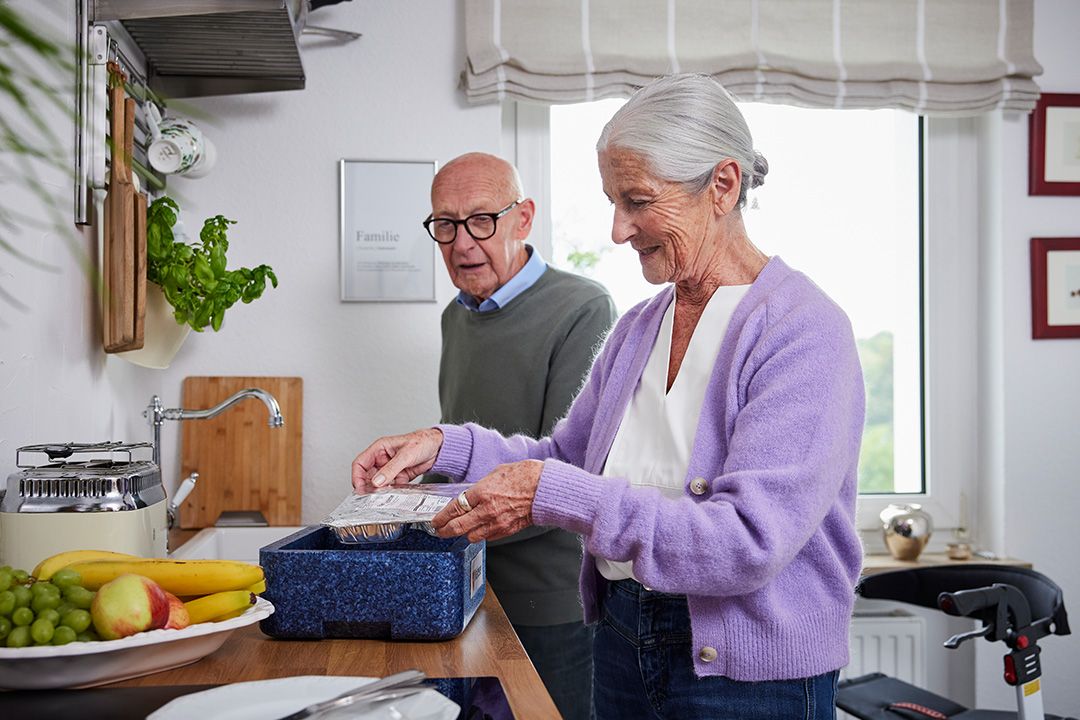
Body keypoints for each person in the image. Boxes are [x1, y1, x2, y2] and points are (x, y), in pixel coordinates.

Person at [354, 75, 865, 720]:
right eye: (612, 202)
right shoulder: (641, 324)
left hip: (743, 671)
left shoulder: (803, 329)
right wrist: (443, 445)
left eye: (638, 201)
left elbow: (746, 541)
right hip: (623, 634)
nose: (619, 230)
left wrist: (547, 488)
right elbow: (566, 456)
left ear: (723, 186)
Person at [420, 152, 617, 720]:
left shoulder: (583, 307)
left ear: (523, 219)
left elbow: (571, 472)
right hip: (466, 585)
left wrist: (434, 527)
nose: (461, 243)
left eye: (482, 220)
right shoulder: (455, 317)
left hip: (551, 601)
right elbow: (460, 449)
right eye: (446, 224)